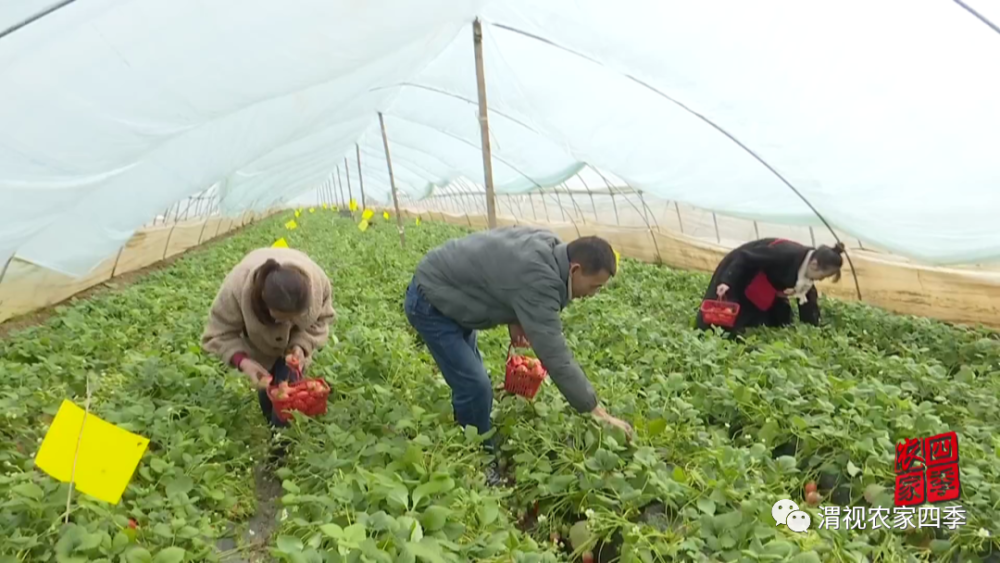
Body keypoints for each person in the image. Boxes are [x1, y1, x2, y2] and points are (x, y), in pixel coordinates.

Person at [404, 226, 633, 483]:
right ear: (575, 270)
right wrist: (594, 409)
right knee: (475, 386)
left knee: (473, 383)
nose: (594, 294)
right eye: (594, 286)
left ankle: (472, 431)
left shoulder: (552, 247)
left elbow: (505, 273)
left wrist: (516, 315)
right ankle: (477, 459)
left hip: (454, 294)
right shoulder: (540, 278)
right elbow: (555, 355)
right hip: (432, 301)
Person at [202, 247, 335, 429]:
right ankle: (271, 424)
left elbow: (320, 320)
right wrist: (243, 362)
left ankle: (280, 443)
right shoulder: (236, 289)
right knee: (268, 392)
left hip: (293, 347)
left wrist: (301, 345)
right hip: (259, 345)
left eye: (295, 318)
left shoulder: (318, 284)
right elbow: (218, 334)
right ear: (264, 300)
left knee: (287, 400)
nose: (287, 324)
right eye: (281, 318)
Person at [696, 238, 845, 335]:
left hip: (767, 279)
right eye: (823, 276)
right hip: (743, 267)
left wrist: (812, 326)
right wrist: (727, 281)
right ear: (814, 265)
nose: (821, 280)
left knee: (778, 320)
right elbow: (745, 257)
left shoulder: (807, 272)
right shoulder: (784, 254)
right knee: (726, 316)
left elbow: (807, 297)